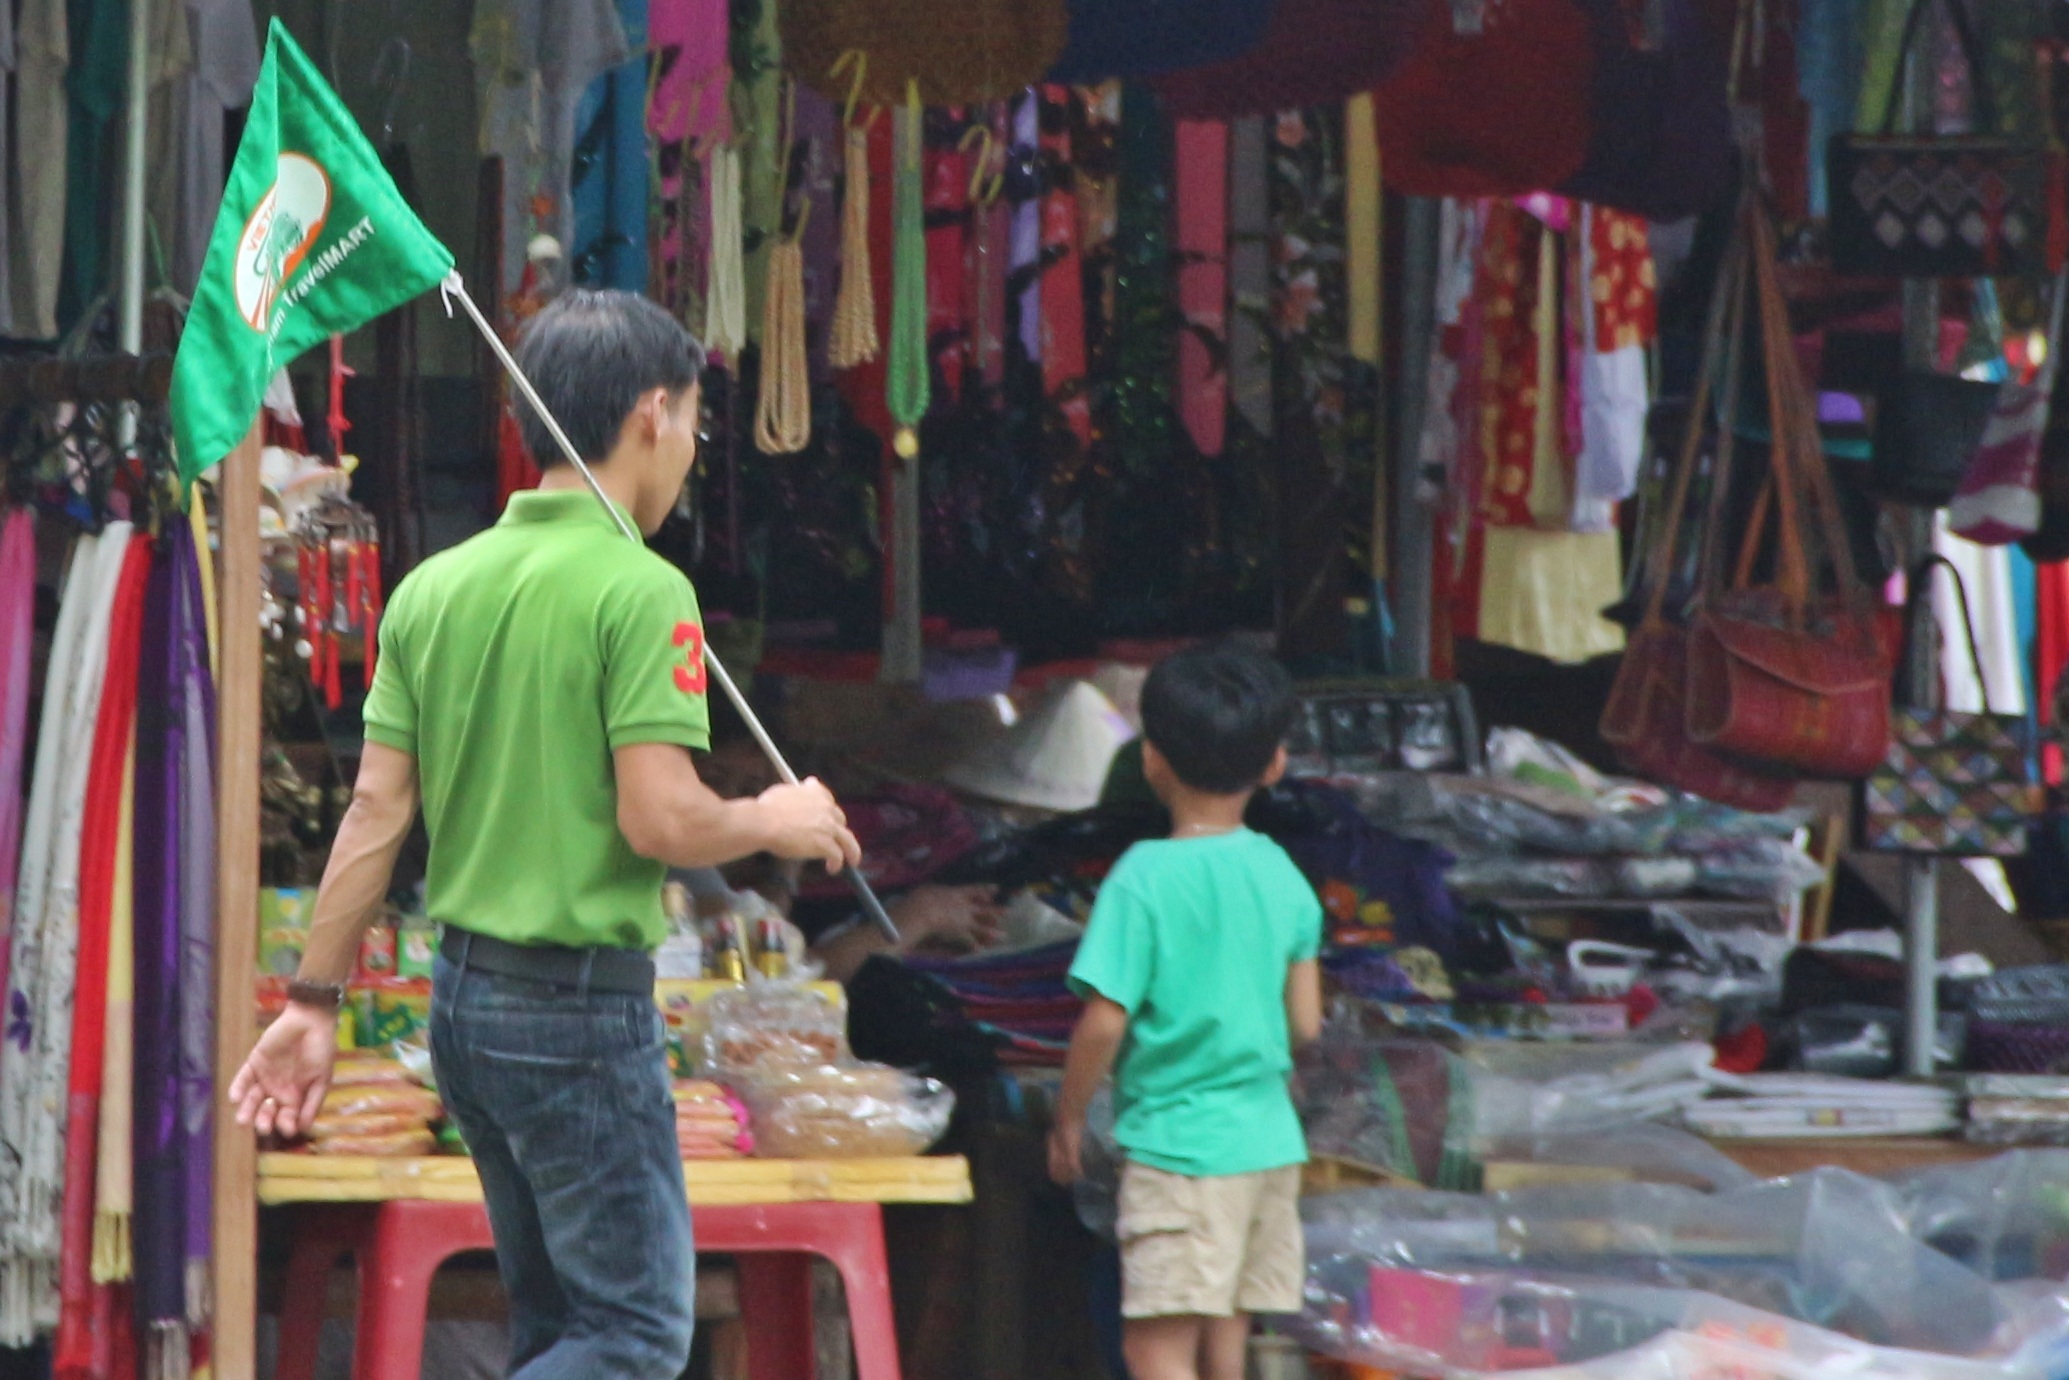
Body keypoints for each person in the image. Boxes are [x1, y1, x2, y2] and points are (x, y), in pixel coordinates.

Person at [228, 290, 861, 1380]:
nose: (692, 449)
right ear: (653, 413)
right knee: (631, 1338)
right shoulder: (643, 589)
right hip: (574, 1011)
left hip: (466, 1006)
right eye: (695, 421)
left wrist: (313, 999)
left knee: (561, 1332)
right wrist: (777, 817)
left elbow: (375, 814)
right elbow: (660, 817)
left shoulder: (434, 589)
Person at [1047, 642, 1324, 1380]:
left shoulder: (1141, 880)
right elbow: (1305, 1024)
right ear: (1274, 764)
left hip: (1180, 1152)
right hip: (1268, 1146)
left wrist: (1069, 1118)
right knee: (1225, 1341)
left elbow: (1104, 1021)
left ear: (1150, 760)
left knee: (1155, 1350)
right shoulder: (1283, 873)